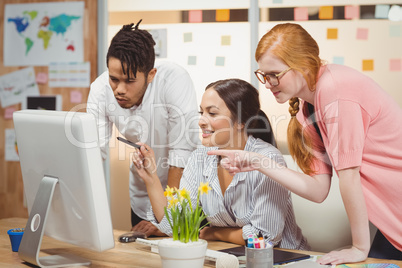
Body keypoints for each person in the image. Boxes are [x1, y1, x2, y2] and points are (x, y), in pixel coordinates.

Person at [207, 23, 402, 264]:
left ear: (303, 64)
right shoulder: (307, 112)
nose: (267, 84)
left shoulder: (336, 89)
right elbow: (318, 191)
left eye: (274, 75)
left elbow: (350, 175)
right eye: (263, 75)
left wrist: (359, 247)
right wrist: (259, 162)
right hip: (391, 223)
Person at [132, 78, 310, 249]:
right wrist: (151, 178)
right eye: (201, 112)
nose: (201, 121)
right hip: (233, 258)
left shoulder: (267, 159)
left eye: (212, 113)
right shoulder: (200, 158)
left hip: (283, 259)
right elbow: (177, 227)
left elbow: (264, 236)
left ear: (241, 121)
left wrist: (214, 233)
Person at [87, 20, 199, 236]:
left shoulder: (174, 80)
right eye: (113, 79)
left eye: (129, 81)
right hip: (142, 195)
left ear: (151, 74)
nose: (119, 89)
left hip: (184, 195)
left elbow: (181, 155)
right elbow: (92, 152)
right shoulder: (100, 90)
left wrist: (167, 219)